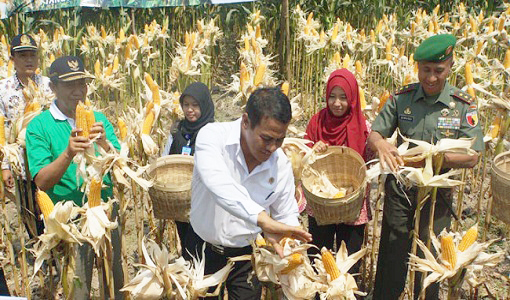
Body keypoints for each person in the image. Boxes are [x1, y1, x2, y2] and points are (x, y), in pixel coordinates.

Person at [368, 34, 484, 299]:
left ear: (451, 66)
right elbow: (374, 135)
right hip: (401, 188)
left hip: (437, 194)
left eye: (438, 71)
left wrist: (433, 159)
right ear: (417, 67)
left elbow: (474, 155)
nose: (431, 77)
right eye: (426, 70)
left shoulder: (462, 105)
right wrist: (382, 145)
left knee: (430, 254)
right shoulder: (402, 99)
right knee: (394, 250)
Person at [186, 87, 312, 299]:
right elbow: (219, 184)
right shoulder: (212, 137)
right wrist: (262, 219)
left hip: (247, 254)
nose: (273, 147)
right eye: (266, 138)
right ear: (246, 122)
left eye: (279, 140)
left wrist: (291, 244)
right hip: (202, 249)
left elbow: (285, 213)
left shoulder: (280, 164)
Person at [25, 56, 124, 299]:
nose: (78, 91)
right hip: (69, 221)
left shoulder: (100, 120)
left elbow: (121, 167)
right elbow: (41, 182)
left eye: (83, 83)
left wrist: (104, 144)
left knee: (114, 283)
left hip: (105, 212)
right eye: (70, 85)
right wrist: (69, 153)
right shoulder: (39, 127)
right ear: (53, 87)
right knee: (78, 287)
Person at [304, 68, 371, 274]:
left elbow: (369, 163)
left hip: (352, 203)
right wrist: (312, 151)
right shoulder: (316, 122)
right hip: (321, 202)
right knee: (318, 256)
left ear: (352, 98)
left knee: (349, 261)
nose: (337, 103)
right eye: (332, 97)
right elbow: (302, 160)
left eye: (343, 97)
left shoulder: (363, 125)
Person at [162, 81, 214, 250]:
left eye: (195, 105)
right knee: (185, 241)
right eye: (186, 105)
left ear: (204, 106)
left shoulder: (212, 131)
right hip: (179, 200)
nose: (189, 110)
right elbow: (165, 157)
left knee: (199, 244)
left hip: (202, 201)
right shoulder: (178, 129)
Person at [0, 33, 52, 190]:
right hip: (19, 163)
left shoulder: (50, 86)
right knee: (26, 209)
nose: (29, 60)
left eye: (32, 55)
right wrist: (5, 167)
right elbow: (2, 130)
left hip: (48, 160)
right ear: (12, 59)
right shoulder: (3, 89)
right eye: (23, 56)